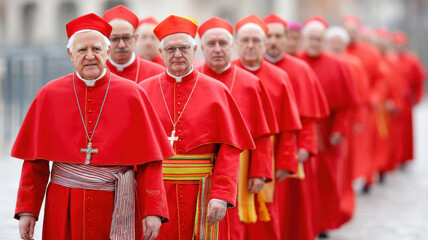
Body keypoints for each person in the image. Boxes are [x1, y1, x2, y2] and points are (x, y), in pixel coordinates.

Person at [13, 13, 175, 240]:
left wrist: (153, 211)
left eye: (97, 49)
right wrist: (28, 210)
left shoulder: (133, 94)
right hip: (64, 202)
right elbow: (34, 162)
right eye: (82, 50)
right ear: (70, 54)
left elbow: (150, 161)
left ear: (107, 52)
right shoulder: (49, 94)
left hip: (117, 200)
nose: (90, 56)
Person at [139, 15, 255, 240]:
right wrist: (149, 205)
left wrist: (221, 194)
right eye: (170, 49)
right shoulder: (143, 91)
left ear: (194, 50)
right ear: (161, 54)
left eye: (184, 48)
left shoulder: (217, 91)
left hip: (204, 192)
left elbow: (230, 149)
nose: (178, 54)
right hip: (158, 192)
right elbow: (139, 155)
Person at [197, 16, 278, 240]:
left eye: (223, 43)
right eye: (211, 44)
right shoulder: (194, 78)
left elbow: (262, 134)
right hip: (198, 166)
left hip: (240, 166)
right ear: (201, 48)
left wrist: (260, 172)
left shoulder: (251, 83)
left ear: (232, 47)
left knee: (235, 224)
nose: (217, 49)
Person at [232, 14, 302, 240]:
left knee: (266, 218)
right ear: (237, 44)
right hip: (232, 158)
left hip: (266, 156)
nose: (251, 46)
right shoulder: (227, 72)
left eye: (256, 41)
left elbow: (288, 126)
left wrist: (285, 161)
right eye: (245, 41)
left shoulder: (280, 77)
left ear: (264, 44)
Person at [263, 13, 330, 240]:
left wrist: (305, 147)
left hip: (292, 148)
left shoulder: (301, 70)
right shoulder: (249, 69)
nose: (273, 41)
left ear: (287, 39)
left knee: (294, 211)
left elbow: (310, 118)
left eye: (278, 36)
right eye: (268, 36)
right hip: (258, 152)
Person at [297, 16, 359, 238]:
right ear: (304, 39)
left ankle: (322, 223)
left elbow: (346, 105)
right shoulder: (296, 62)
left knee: (326, 181)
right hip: (300, 131)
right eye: (311, 38)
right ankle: (304, 223)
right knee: (301, 184)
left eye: (319, 39)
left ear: (324, 41)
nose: (315, 42)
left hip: (326, 132)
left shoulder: (338, 65)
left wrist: (339, 130)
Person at [325, 26, 371, 226]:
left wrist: (359, 120)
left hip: (346, 123)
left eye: (338, 42)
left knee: (344, 166)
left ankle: (343, 204)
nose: (335, 45)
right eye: (332, 42)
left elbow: (361, 95)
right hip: (324, 123)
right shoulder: (324, 61)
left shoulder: (353, 63)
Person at [342, 15, 387, 192]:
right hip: (346, 108)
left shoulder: (370, 52)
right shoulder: (338, 50)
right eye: (348, 31)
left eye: (354, 31)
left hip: (365, 106)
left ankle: (367, 177)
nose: (351, 35)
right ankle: (347, 178)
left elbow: (380, 79)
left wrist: (375, 98)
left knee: (365, 144)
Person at [102, 5, 164, 83]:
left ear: (135, 39)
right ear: (106, 40)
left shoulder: (158, 73)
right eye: (114, 39)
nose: (121, 45)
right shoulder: (97, 71)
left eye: (126, 38)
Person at [392, 30, 426, 166]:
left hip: (406, 100)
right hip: (394, 100)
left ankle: (404, 157)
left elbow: (419, 80)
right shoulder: (391, 59)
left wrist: (417, 97)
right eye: (397, 44)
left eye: (401, 44)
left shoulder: (412, 60)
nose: (399, 47)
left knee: (405, 130)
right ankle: (394, 156)